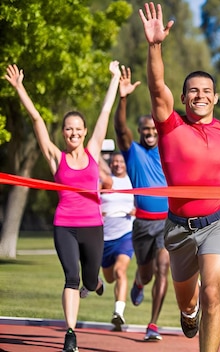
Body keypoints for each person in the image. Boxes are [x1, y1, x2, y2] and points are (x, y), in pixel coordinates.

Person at [139, 3, 220, 352]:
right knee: (188, 300)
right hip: (179, 227)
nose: (200, 95)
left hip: (219, 222)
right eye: (193, 91)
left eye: (206, 91)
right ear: (183, 98)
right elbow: (155, 87)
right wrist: (155, 46)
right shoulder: (170, 126)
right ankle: (189, 309)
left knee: (213, 291)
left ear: (215, 97)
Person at [5, 61, 120, 352]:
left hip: (93, 226)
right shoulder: (56, 157)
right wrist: (20, 88)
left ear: (84, 131)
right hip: (65, 225)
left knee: (91, 277)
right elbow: (36, 121)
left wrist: (115, 79)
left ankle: (93, 284)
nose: (73, 133)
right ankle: (70, 333)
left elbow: (105, 112)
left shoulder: (93, 151)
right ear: (64, 133)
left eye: (78, 129)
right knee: (71, 277)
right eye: (69, 129)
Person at [113, 64, 170, 341]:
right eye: (144, 129)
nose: (149, 132)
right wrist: (123, 97)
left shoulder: (167, 149)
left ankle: (153, 324)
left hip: (168, 224)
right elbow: (119, 127)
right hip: (143, 225)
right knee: (146, 274)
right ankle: (138, 282)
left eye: (153, 128)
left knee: (163, 268)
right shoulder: (132, 152)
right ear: (139, 131)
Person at [98, 152, 135, 332]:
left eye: (121, 161)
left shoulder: (132, 181)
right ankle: (99, 283)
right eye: (114, 162)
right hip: (105, 237)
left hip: (125, 234)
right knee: (110, 277)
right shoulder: (105, 182)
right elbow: (92, 201)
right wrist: (98, 212)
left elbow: (143, 201)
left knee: (120, 271)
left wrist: (136, 210)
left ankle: (118, 313)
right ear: (110, 164)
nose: (118, 164)